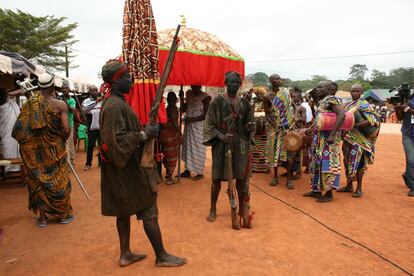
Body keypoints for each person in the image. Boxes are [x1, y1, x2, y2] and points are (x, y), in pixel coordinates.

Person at [99, 60, 186, 267]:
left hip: (121, 167)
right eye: (128, 76)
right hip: (125, 168)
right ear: (117, 80)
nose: (132, 80)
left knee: (123, 210)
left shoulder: (117, 102)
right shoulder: (113, 105)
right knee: (148, 207)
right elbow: (116, 141)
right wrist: (143, 133)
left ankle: (125, 254)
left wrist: (145, 130)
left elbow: (123, 134)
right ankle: (161, 256)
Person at [12, 73, 74, 227]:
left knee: (38, 181)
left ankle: (43, 219)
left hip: (35, 154)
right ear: (53, 86)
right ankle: (63, 216)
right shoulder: (60, 105)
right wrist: (61, 140)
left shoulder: (28, 105)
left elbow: (20, 130)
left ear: (39, 86)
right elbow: (66, 129)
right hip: (55, 150)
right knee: (60, 181)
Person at [204, 71, 255, 229]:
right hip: (222, 145)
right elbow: (209, 125)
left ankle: (241, 210)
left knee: (241, 179)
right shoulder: (216, 102)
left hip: (240, 146)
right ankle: (213, 208)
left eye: (236, 83)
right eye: (231, 82)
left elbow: (248, 125)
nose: (234, 85)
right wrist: (220, 135)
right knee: (216, 179)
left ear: (240, 85)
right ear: (225, 83)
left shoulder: (245, 104)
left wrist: (250, 127)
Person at [303, 81, 345, 202]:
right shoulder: (322, 102)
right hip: (318, 139)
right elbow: (320, 119)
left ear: (328, 89)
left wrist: (332, 135)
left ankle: (328, 193)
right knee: (315, 164)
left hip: (328, 140)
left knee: (328, 164)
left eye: (321, 87)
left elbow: (341, 114)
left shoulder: (332, 99)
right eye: (317, 86)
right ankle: (315, 190)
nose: (317, 89)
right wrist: (310, 129)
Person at [338, 84, 380, 198]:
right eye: (353, 91)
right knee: (347, 161)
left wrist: (355, 125)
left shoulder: (365, 104)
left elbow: (372, 120)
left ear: (361, 92)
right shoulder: (347, 105)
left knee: (359, 163)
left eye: (357, 91)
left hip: (360, 139)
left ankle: (359, 188)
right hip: (347, 138)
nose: (354, 93)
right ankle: (349, 185)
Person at [264, 74, 295, 189]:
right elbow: (267, 114)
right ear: (271, 81)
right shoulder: (267, 97)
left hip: (287, 128)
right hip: (274, 130)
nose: (279, 80)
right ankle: (275, 177)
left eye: (279, 78)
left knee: (289, 153)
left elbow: (294, 106)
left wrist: (294, 117)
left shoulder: (286, 93)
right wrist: (275, 125)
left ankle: (289, 180)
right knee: (274, 154)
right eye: (276, 79)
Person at [179, 85, 211, 180]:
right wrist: (181, 99)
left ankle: (199, 172)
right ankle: (187, 170)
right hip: (189, 125)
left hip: (199, 126)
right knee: (188, 147)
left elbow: (206, 115)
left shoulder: (206, 97)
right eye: (192, 86)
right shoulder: (188, 94)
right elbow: (183, 109)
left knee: (198, 148)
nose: (194, 88)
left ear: (200, 86)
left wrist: (192, 119)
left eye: (196, 86)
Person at [395, 93, 414, 196]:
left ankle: (407, 175)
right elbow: (400, 118)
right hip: (408, 134)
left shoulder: (408, 103)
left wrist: (407, 109)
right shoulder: (408, 99)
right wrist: (397, 108)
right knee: (411, 160)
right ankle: (412, 186)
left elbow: (408, 110)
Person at [160, 92, 180, 185]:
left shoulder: (167, 108)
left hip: (164, 135)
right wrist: (180, 132)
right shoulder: (172, 108)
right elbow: (174, 121)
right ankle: (169, 177)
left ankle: (168, 174)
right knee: (172, 155)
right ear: (175, 100)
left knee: (167, 154)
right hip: (171, 135)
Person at [0, 88, 20, 173]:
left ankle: (12, 169)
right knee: (8, 147)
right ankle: (9, 170)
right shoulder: (3, 106)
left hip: (11, 132)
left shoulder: (8, 102)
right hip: (7, 132)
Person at [82, 85, 102, 171]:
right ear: (89, 92)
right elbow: (85, 110)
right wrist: (96, 102)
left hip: (101, 127)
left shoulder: (102, 100)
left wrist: (95, 106)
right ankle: (88, 164)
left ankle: (101, 163)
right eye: (93, 91)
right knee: (90, 146)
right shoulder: (86, 101)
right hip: (92, 128)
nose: (95, 92)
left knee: (102, 146)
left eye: (96, 90)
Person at [61, 81, 76, 166]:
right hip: (61, 125)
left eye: (66, 88)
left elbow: (72, 110)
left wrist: (64, 102)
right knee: (64, 143)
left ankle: (72, 159)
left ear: (69, 90)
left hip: (69, 125)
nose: (64, 90)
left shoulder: (72, 100)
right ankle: (67, 162)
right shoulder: (59, 99)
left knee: (70, 143)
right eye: (63, 89)